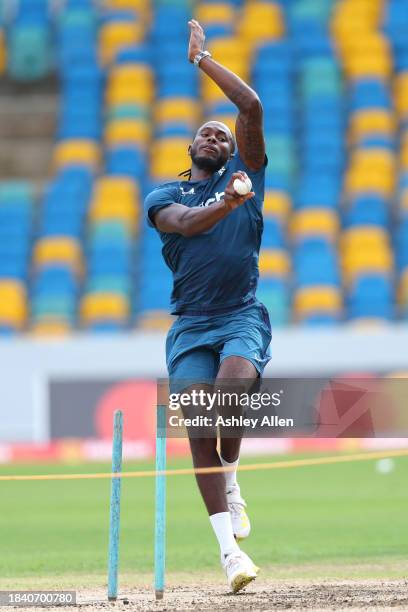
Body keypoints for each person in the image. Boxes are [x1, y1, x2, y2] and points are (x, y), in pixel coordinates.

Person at [144, 20, 272, 593]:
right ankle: (230, 556)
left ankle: (235, 475)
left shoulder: (250, 174)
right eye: (207, 133)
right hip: (190, 325)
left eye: (224, 135)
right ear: (191, 149)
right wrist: (227, 200)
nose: (217, 137)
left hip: (241, 314)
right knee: (199, 427)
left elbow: (250, 104)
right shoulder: (166, 196)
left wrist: (204, 60)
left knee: (231, 393)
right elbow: (191, 224)